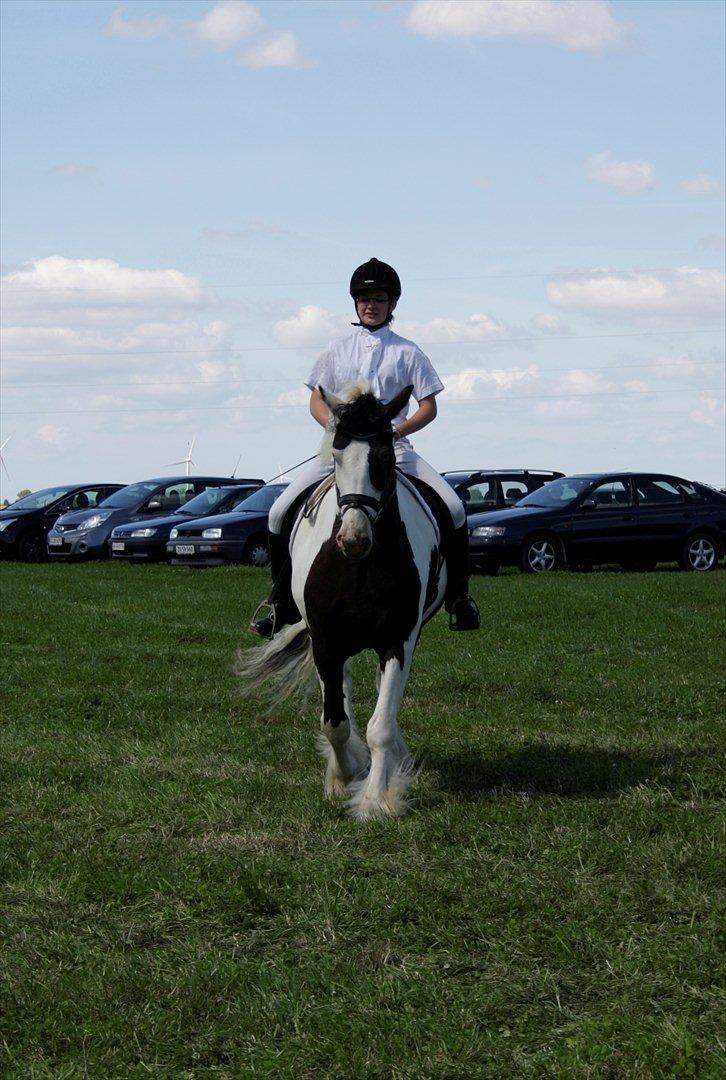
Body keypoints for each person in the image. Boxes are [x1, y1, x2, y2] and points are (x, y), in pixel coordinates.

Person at [251, 257, 480, 638]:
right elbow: (315, 399)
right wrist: (337, 430)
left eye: (378, 298)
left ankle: (459, 598)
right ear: (355, 303)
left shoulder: (409, 352)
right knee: (277, 513)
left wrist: (397, 429)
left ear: (392, 303)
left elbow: (429, 406)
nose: (370, 305)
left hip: (394, 450)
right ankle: (281, 604)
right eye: (363, 298)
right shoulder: (336, 349)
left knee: (454, 508)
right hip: (341, 452)